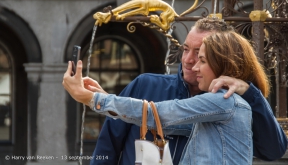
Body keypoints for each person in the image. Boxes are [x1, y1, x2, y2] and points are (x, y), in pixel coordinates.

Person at [65, 18, 287, 164]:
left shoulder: (230, 100)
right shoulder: (146, 85)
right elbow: (107, 146)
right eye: (186, 49)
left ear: (221, 59)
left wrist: (250, 92)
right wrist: (106, 101)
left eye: (200, 55)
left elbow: (273, 150)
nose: (190, 61)